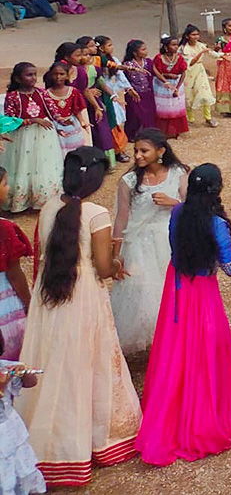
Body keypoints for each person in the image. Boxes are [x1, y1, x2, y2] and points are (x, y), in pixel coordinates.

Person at [18, 147, 141, 487]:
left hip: (50, 295)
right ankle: (91, 441)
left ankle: (49, 442)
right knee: (87, 362)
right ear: (96, 179)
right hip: (84, 296)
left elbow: (40, 259)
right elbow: (102, 268)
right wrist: (117, 265)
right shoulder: (96, 215)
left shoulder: (48, 209)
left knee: (53, 361)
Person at [136, 163, 231, 465]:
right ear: (216, 189)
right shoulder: (216, 222)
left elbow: (174, 246)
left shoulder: (178, 213)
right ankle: (204, 415)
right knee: (205, 348)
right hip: (203, 290)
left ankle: (170, 410)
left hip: (178, 286)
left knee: (175, 346)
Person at [109, 128, 187, 354]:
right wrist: (116, 253)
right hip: (139, 244)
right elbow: (121, 217)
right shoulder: (129, 181)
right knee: (142, 292)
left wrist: (174, 203)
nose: (138, 156)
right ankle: (153, 339)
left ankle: (171, 340)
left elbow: (193, 206)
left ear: (160, 151)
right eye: (135, 151)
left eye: (144, 151)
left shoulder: (177, 173)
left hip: (169, 241)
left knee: (170, 290)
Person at [1, 64, 63, 212]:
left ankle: (41, 198)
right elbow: (10, 120)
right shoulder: (13, 96)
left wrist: (61, 121)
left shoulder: (42, 93)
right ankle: (21, 200)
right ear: (17, 78)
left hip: (43, 136)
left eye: (35, 75)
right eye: (29, 75)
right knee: (23, 165)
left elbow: (52, 110)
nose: (34, 78)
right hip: (22, 137)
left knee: (42, 163)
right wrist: (33, 121)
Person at [0, 350, 45, 495]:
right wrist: (2, 386)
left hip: (12, 430)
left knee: (23, 472)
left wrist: (24, 373)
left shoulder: (4, 366)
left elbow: (31, 383)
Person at [0, 172, 32, 360]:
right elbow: (15, 274)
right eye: (5, 184)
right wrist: (29, 303)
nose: (9, 188)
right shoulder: (5, 229)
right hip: (5, 306)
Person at [177, 25, 217, 128]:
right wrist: (202, 52)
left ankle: (208, 118)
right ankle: (190, 118)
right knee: (189, 95)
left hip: (200, 71)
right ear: (187, 36)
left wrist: (224, 55)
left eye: (197, 34)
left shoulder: (201, 45)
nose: (196, 37)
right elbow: (190, 63)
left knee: (205, 92)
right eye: (193, 34)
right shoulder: (183, 49)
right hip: (189, 73)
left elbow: (212, 54)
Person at [150, 36, 188, 139]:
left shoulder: (179, 57)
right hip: (162, 86)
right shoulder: (158, 58)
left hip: (176, 85)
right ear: (166, 47)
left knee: (176, 107)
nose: (176, 47)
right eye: (173, 45)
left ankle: (176, 131)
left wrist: (177, 87)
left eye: (177, 44)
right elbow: (155, 72)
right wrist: (166, 79)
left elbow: (183, 73)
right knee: (163, 108)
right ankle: (163, 131)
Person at [120, 40, 157, 139]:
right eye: (143, 49)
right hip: (134, 94)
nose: (146, 51)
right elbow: (124, 79)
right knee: (135, 115)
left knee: (148, 115)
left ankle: (147, 134)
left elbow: (155, 73)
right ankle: (132, 134)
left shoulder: (148, 62)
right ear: (135, 52)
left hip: (147, 93)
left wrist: (165, 82)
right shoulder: (127, 64)